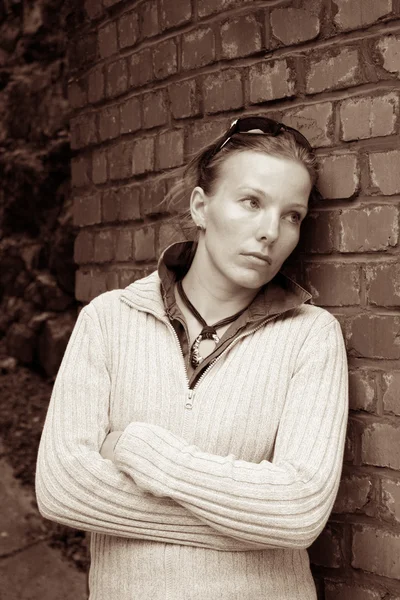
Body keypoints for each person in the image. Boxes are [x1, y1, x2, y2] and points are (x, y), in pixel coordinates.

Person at [35, 116, 348, 600]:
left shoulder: (311, 336)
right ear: (201, 207)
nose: (271, 231)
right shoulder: (108, 320)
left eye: (292, 215)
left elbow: (298, 512)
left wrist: (140, 449)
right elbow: (62, 488)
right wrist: (246, 524)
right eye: (252, 202)